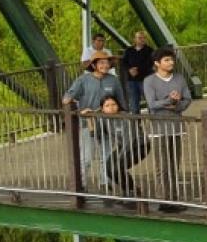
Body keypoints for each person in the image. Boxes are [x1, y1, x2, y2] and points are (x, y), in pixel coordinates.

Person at [64, 49, 126, 191]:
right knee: (86, 157)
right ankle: (81, 184)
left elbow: (122, 101)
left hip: (108, 124)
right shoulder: (83, 80)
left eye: (107, 62)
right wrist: (78, 110)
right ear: (94, 65)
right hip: (88, 123)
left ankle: (105, 182)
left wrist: (122, 116)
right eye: (101, 63)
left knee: (107, 154)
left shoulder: (114, 80)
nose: (105, 65)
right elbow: (68, 97)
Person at [143, 48, 191, 211]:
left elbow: (187, 99)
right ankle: (164, 199)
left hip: (176, 127)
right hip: (158, 129)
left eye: (171, 60)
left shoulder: (179, 78)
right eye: (166, 60)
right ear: (157, 63)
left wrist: (176, 105)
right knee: (161, 166)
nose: (171, 63)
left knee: (174, 164)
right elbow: (151, 104)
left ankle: (174, 198)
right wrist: (168, 100)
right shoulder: (149, 81)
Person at [95, 94, 146, 205]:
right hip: (123, 146)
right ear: (102, 108)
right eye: (107, 106)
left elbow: (130, 139)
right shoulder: (104, 118)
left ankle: (131, 193)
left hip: (139, 145)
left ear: (118, 106)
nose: (111, 107)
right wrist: (96, 116)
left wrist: (120, 156)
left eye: (114, 104)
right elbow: (97, 134)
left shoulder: (126, 117)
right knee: (109, 168)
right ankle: (129, 191)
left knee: (117, 167)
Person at [119, 31, 153, 114]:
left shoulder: (149, 50)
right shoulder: (129, 50)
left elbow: (150, 63)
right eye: (139, 38)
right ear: (135, 39)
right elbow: (124, 62)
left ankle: (153, 123)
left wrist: (137, 70)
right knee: (134, 104)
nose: (142, 40)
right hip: (131, 81)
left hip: (145, 80)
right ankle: (137, 125)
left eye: (144, 38)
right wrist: (130, 69)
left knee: (150, 101)